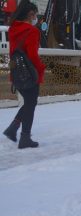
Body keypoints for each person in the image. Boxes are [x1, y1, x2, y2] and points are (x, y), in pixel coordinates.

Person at [3, 0, 45, 149]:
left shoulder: (13, 29)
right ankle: (24, 138)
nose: (35, 18)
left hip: (17, 72)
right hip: (30, 74)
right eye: (35, 14)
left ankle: (13, 129)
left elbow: (13, 52)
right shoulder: (32, 31)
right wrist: (41, 68)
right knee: (30, 104)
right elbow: (33, 55)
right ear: (30, 13)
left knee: (29, 103)